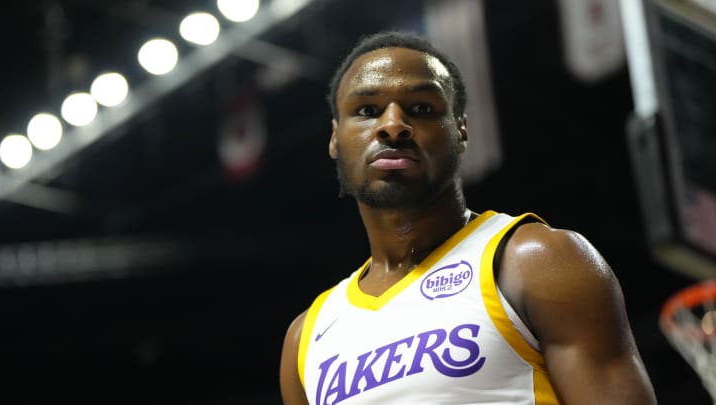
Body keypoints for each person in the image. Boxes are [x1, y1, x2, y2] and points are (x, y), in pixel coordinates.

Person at [279, 30, 657, 405]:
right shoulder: (306, 340)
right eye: (367, 111)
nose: (392, 125)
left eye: (421, 108)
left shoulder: (536, 261)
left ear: (460, 130)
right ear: (335, 137)